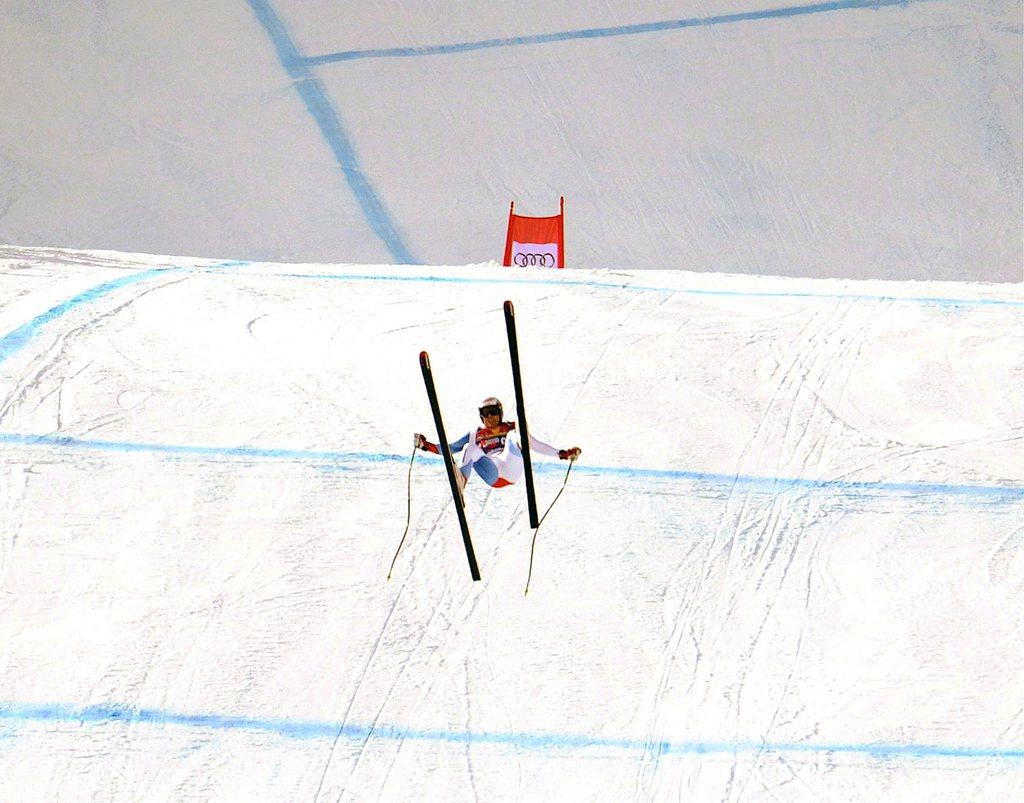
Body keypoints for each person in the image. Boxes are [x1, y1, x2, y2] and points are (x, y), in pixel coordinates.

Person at [414, 397, 580, 490]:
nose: (490, 417)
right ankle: (461, 481)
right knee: (470, 445)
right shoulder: (476, 434)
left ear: (500, 413)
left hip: (511, 465)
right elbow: (450, 449)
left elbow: (534, 444)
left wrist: (561, 454)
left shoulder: (510, 428)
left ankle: (463, 478)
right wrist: (425, 445)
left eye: (493, 413)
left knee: (515, 435)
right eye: (485, 414)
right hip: (493, 473)